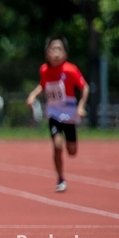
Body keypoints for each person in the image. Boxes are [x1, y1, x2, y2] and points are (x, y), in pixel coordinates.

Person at [26, 35, 89, 193]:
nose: (56, 53)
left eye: (59, 49)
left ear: (65, 54)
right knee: (57, 145)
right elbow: (43, 85)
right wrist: (33, 95)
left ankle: (70, 143)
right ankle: (60, 178)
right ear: (47, 54)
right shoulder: (44, 70)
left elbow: (84, 87)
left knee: (72, 151)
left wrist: (81, 106)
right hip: (54, 113)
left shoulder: (70, 70)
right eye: (53, 49)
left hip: (69, 114)